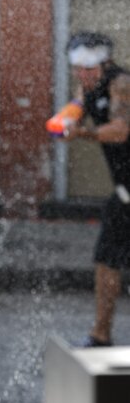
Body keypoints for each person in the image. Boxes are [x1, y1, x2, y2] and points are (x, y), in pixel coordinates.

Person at [60, 31, 130, 348]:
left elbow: (119, 130)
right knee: (106, 257)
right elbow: (75, 109)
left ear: (106, 62)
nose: (84, 75)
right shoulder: (86, 86)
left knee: (109, 255)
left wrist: (83, 134)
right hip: (125, 191)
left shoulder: (121, 84)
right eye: (78, 69)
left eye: (89, 69)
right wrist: (63, 122)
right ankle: (101, 335)